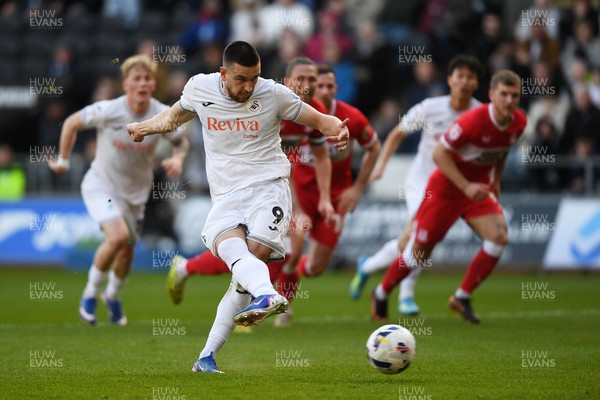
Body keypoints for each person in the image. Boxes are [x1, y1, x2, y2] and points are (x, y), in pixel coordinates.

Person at [127, 41, 349, 373]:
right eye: (242, 79)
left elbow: (319, 120)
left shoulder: (272, 93)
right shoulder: (200, 88)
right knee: (235, 260)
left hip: (268, 189)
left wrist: (337, 129)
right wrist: (143, 127)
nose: (249, 86)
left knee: (254, 254)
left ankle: (262, 297)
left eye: (254, 78)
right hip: (226, 197)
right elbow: (173, 117)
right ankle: (208, 356)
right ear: (223, 73)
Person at [164, 57, 335, 327]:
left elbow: (321, 156)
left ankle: (267, 305)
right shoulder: (272, 103)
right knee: (258, 249)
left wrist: (324, 197)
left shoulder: (312, 111)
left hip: (283, 184)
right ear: (287, 82)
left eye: (313, 80)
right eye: (300, 79)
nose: (307, 85)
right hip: (252, 185)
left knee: (274, 249)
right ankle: (195, 274)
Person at [371, 69, 527, 324]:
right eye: (504, 95)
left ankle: (461, 296)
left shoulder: (519, 122)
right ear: (491, 95)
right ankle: (381, 291)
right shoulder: (472, 121)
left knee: (499, 237)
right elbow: (439, 154)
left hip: (475, 190)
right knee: (419, 253)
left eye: (515, 95)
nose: (509, 101)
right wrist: (465, 186)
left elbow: (503, 148)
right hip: (446, 189)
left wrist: (495, 180)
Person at [49, 54, 190, 326]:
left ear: (153, 84)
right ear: (125, 84)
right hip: (101, 184)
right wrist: (64, 160)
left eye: (147, 78)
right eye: (136, 78)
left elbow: (181, 141)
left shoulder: (162, 113)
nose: (142, 83)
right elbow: (71, 123)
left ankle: (111, 296)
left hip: (135, 194)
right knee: (117, 237)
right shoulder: (108, 110)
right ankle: (89, 295)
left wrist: (178, 158)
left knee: (126, 251)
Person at [350, 55, 482, 317]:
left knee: (411, 240)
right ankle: (406, 295)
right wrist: (382, 167)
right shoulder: (430, 108)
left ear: (477, 83)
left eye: (471, 77)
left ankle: (369, 265)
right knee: (422, 233)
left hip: (451, 186)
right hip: (422, 181)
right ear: (450, 80)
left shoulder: (479, 113)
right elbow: (397, 134)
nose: (465, 82)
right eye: (460, 76)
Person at [273, 63, 380, 327]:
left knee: (317, 267)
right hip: (301, 192)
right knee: (295, 246)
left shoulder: (351, 117)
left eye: (328, 85)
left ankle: (289, 275)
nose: (322, 89)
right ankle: (282, 306)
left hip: (337, 196)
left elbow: (374, 147)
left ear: (336, 88)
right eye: (318, 84)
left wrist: (357, 188)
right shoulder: (299, 115)